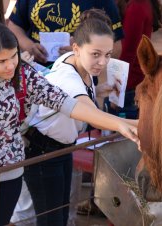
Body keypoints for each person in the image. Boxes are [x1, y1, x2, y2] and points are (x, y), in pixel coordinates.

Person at [0, 21, 138, 226]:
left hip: (8, 172)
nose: (10, 65)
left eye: (14, 56)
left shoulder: (24, 75)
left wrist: (121, 123)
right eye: (2, 61)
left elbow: (69, 104)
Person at [24, 17, 139, 226]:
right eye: (95, 54)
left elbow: (85, 102)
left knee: (60, 214)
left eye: (108, 55)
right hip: (43, 152)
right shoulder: (68, 79)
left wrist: (100, 91)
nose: (103, 62)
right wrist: (141, 123)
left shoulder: (75, 60)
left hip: (62, 149)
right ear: (76, 48)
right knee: (52, 220)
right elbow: (92, 114)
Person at [8, 0, 124, 65]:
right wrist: (28, 46)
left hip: (76, 80)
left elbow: (116, 47)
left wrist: (80, 54)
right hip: (33, 73)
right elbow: (14, 25)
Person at [104, 0, 162, 119]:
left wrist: (117, 93)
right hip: (133, 79)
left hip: (130, 83)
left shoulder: (136, 6)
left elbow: (129, 52)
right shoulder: (141, 3)